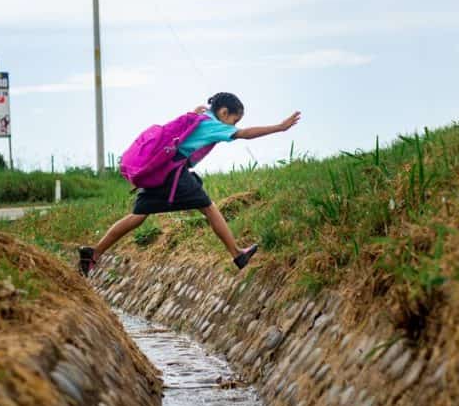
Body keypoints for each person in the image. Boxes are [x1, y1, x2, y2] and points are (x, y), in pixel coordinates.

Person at [78, 92, 301, 276]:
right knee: (208, 207)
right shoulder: (214, 124)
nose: (233, 125)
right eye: (234, 119)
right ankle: (237, 254)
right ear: (224, 112)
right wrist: (279, 128)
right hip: (173, 173)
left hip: (162, 169)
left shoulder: (200, 118)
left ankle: (94, 253)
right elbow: (245, 134)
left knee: (138, 215)